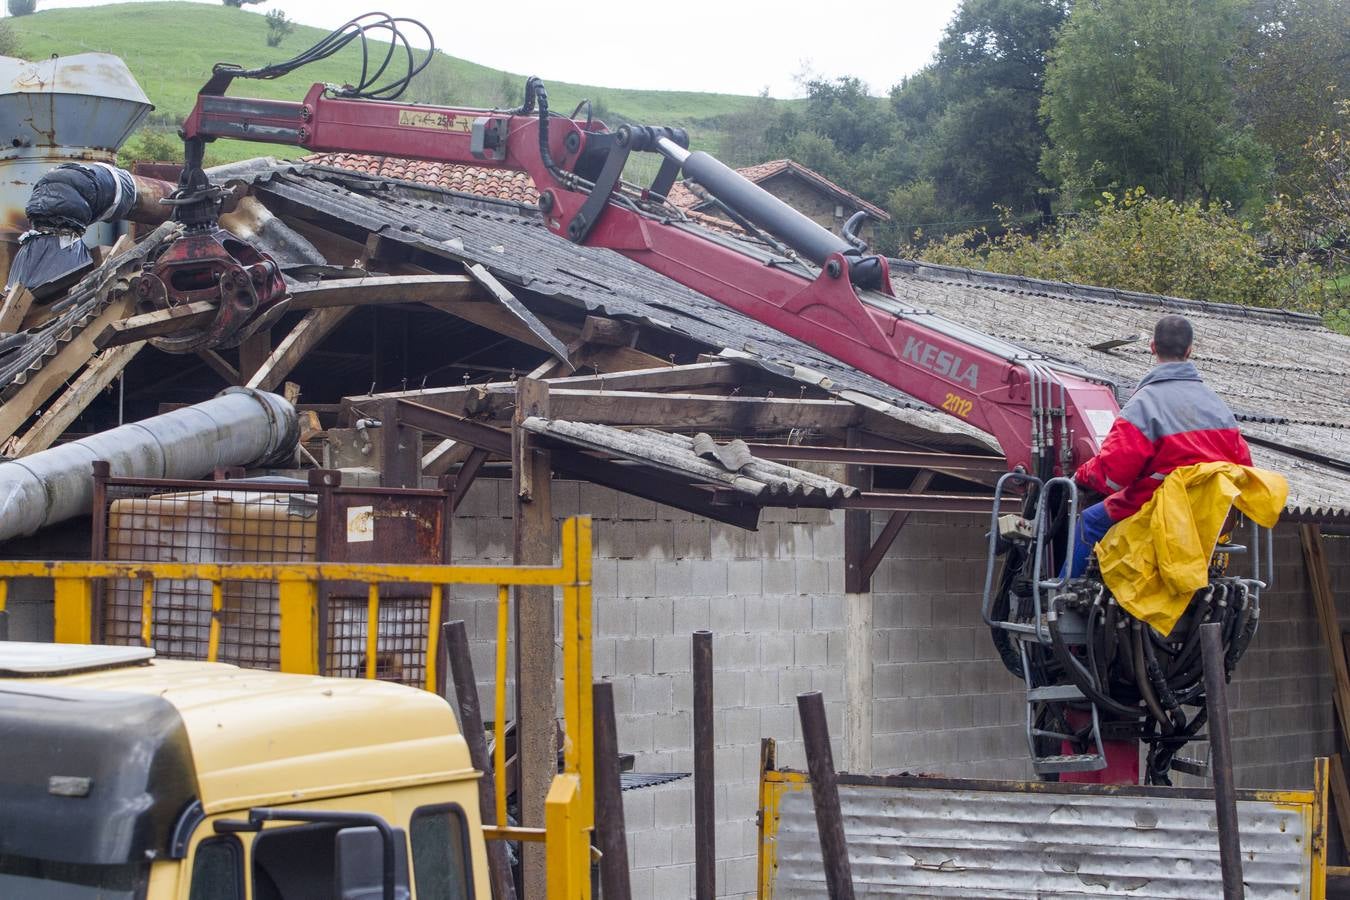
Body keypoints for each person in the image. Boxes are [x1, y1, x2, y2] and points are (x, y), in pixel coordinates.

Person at [1070, 314, 1252, 577]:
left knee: (1088, 523)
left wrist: (1080, 475)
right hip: (1207, 514)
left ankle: (1061, 596)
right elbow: (1244, 467)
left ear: (1153, 347)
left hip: (1155, 504)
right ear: (1190, 350)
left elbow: (1113, 473)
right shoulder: (1218, 407)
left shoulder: (1145, 403)